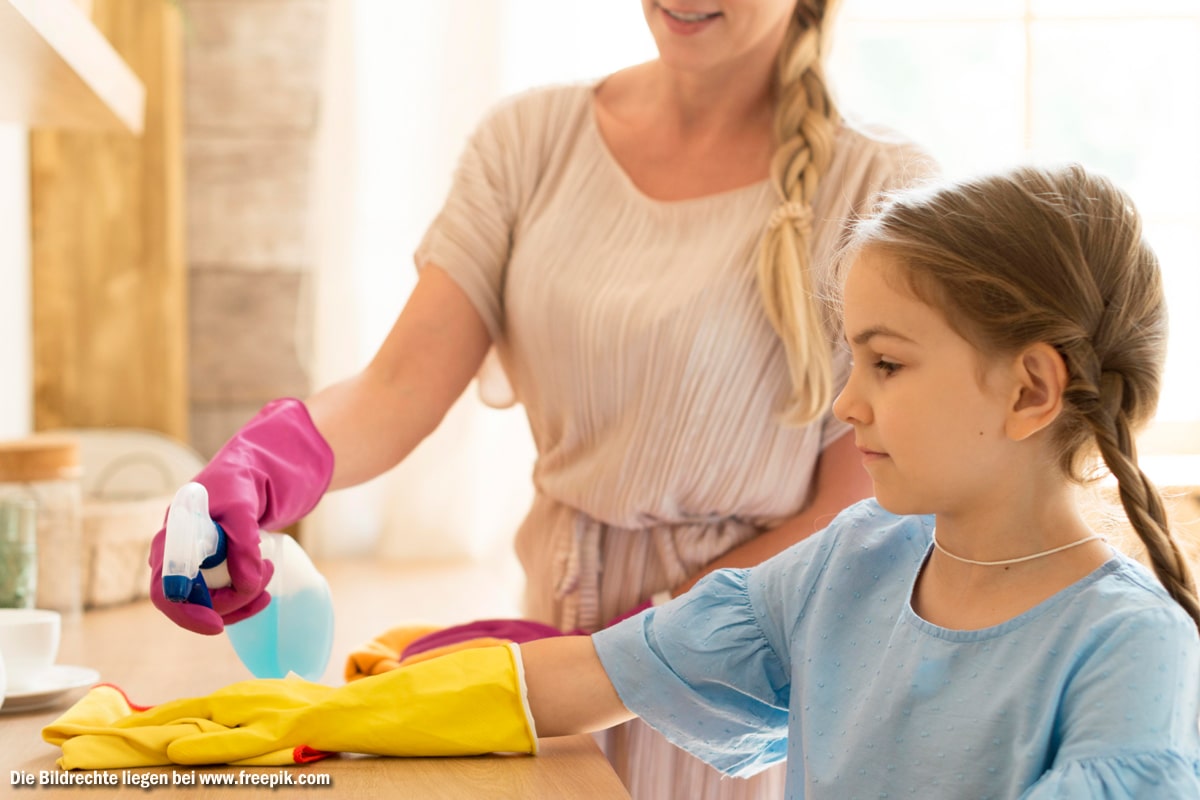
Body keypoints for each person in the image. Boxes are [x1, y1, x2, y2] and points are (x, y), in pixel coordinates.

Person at [59, 164, 1197, 796]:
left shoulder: (1130, 650)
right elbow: (577, 679)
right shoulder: (850, 568)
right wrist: (299, 718)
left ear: (1031, 391)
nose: (845, 404)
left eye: (886, 363)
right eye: (851, 355)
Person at [147, 2, 935, 796]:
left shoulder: (884, 188)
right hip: (541, 656)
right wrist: (259, 472)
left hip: (726, 671)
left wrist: (631, 648)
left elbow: (855, 514)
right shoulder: (528, 141)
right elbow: (396, 387)